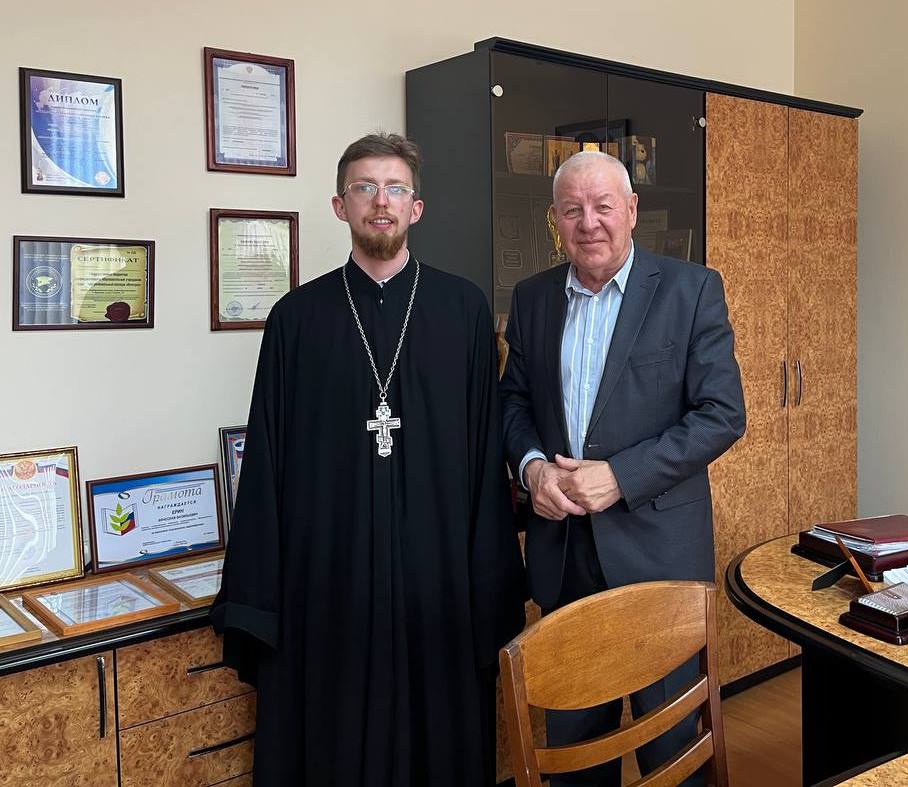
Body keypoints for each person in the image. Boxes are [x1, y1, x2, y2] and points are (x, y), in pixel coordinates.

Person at [211, 132, 526, 786]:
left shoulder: (464, 309)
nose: (380, 201)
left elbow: (484, 458)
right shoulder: (296, 319)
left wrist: (486, 585)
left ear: (416, 207)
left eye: (395, 189)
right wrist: (260, 597)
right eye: (364, 188)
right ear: (340, 205)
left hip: (438, 581)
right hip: (330, 582)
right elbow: (267, 463)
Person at [499, 150, 745, 786]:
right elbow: (513, 402)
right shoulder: (532, 299)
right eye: (572, 210)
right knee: (575, 753)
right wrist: (532, 469)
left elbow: (722, 414)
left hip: (657, 557)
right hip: (564, 556)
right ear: (554, 219)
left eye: (604, 206)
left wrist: (620, 476)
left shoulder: (691, 290)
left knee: (672, 751)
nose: (589, 223)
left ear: (632, 210)